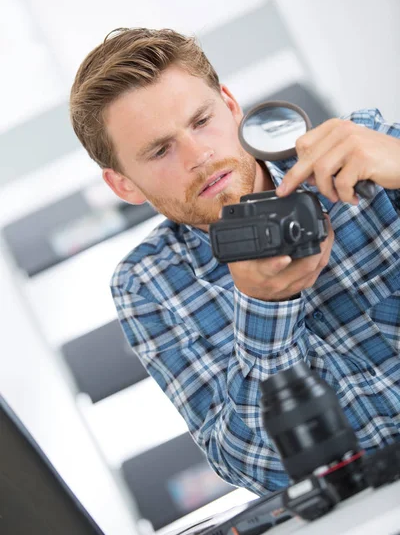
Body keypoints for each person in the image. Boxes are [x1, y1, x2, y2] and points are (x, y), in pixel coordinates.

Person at [70, 27, 400, 497]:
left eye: (202, 121)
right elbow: (257, 469)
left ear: (230, 105)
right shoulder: (149, 285)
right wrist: (265, 308)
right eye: (161, 150)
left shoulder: (363, 147)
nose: (199, 155)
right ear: (124, 185)